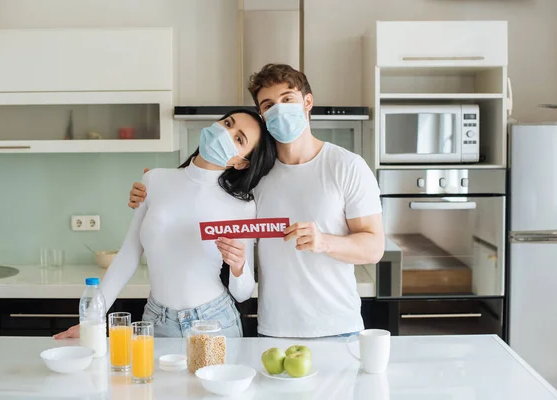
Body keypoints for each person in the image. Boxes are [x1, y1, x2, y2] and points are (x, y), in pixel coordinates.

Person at [129, 64, 385, 339]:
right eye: (269, 105)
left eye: (287, 99)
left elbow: (373, 248)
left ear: (307, 102)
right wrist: (150, 190)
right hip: (273, 330)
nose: (279, 109)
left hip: (338, 328)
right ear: (263, 116)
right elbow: (199, 184)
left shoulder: (347, 166)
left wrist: (324, 241)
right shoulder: (255, 175)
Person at [55, 108, 276, 339]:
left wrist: (239, 266)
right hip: (156, 320)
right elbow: (128, 255)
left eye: (239, 139)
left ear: (242, 164)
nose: (226, 134)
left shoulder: (241, 206)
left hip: (215, 322)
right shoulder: (154, 180)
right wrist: (92, 320)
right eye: (228, 123)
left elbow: (243, 294)